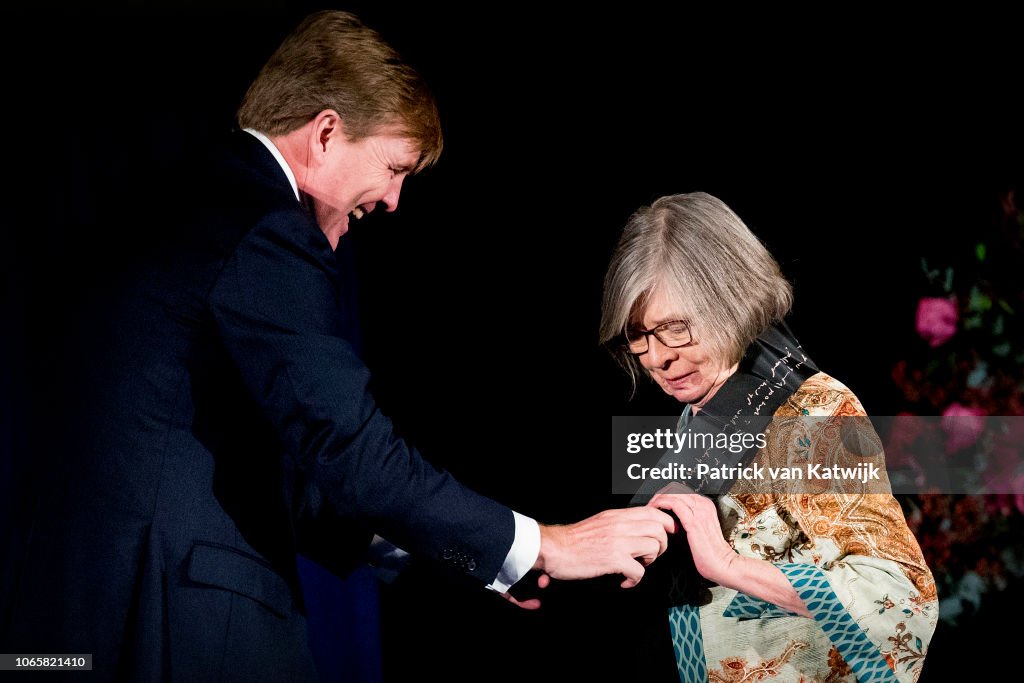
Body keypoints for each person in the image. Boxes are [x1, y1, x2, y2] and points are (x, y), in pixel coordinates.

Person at [0, 11, 675, 681]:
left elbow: (261, 471)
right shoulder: (263, 225)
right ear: (325, 133)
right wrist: (546, 544)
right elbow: (348, 447)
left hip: (67, 623)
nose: (392, 201)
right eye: (393, 167)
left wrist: (473, 559)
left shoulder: (172, 209)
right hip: (176, 622)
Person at [600, 192, 938, 681]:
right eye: (638, 334)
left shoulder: (810, 411)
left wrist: (727, 564)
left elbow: (901, 603)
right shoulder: (702, 414)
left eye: (674, 327)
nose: (655, 358)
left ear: (730, 300)